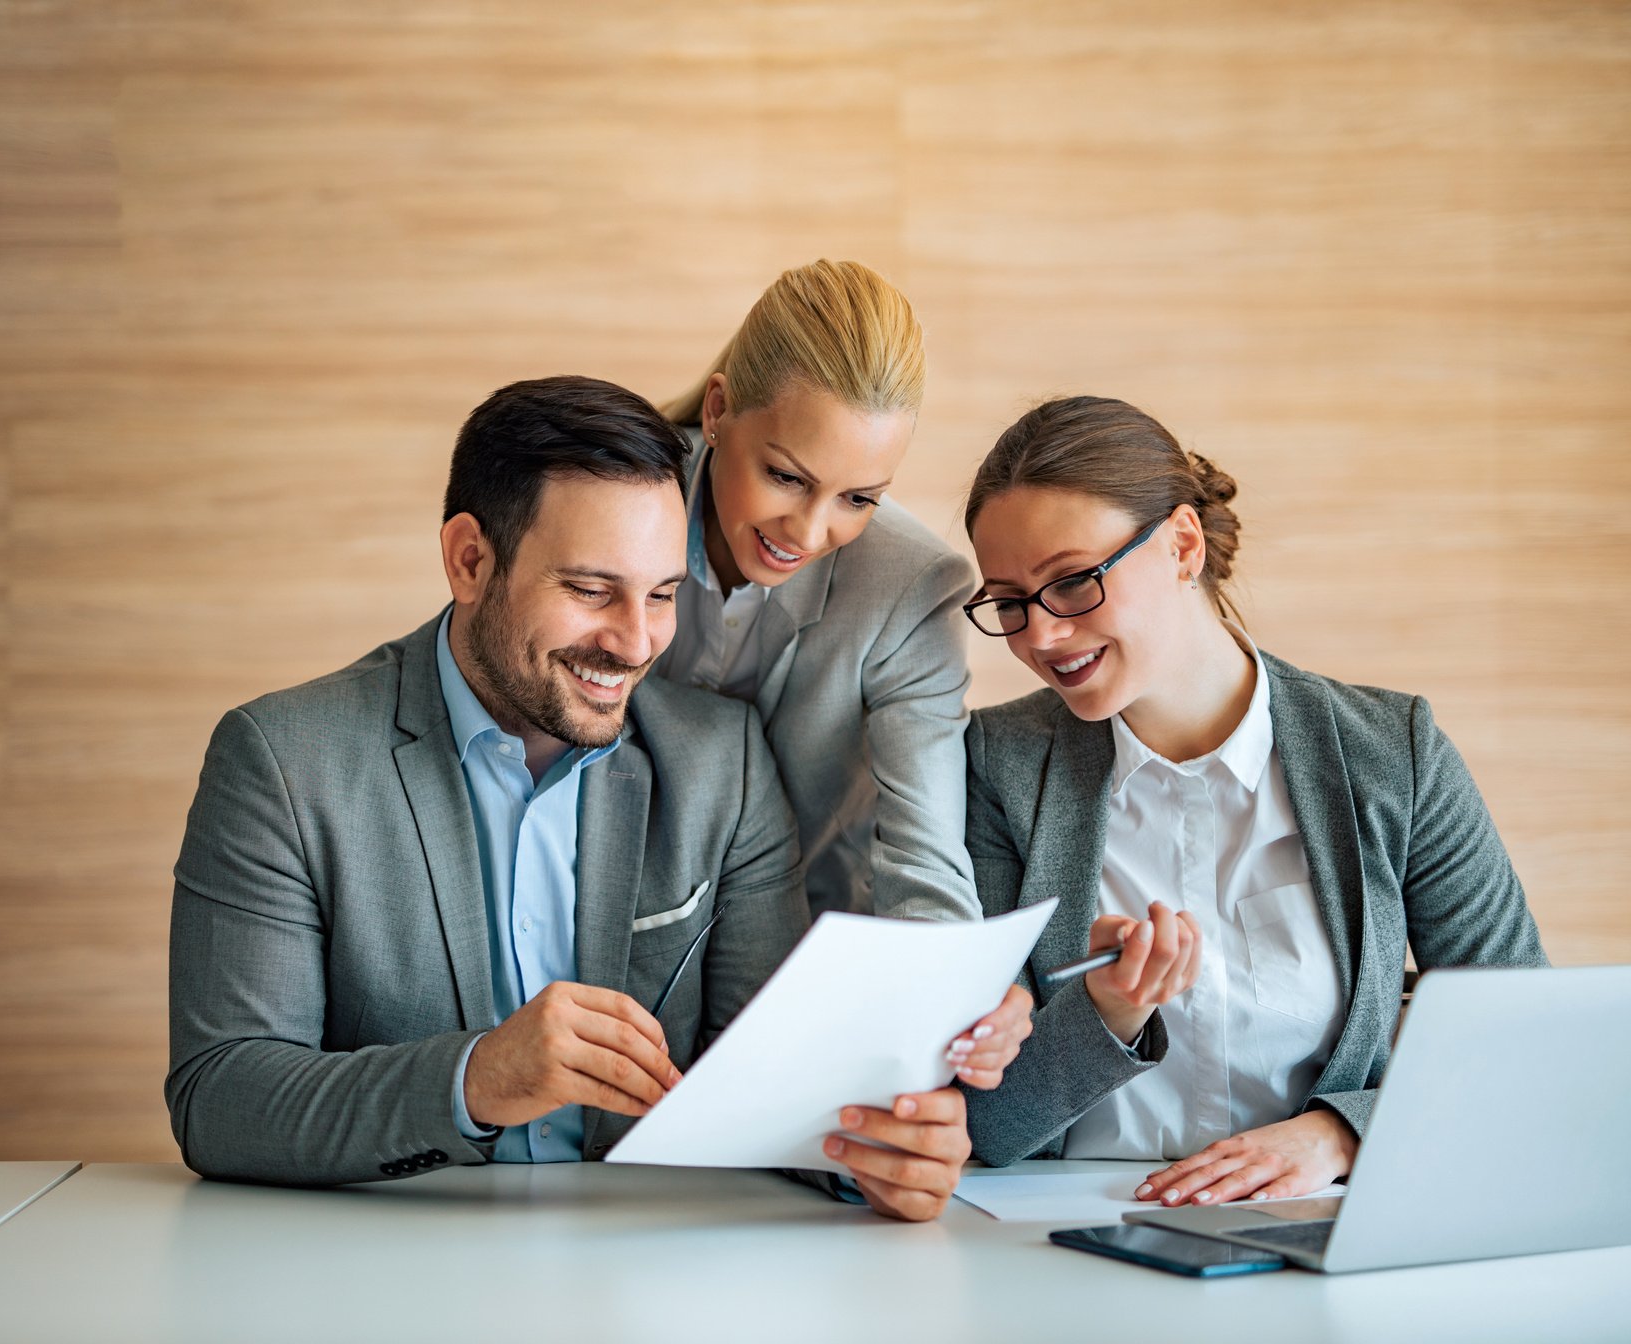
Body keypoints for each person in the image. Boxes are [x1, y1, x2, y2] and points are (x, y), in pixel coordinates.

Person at [165, 376, 1013, 1221]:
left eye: (663, 594)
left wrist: (875, 1149)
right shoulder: (282, 760)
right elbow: (220, 1097)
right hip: (387, 1261)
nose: (637, 642)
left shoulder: (725, 765)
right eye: (589, 590)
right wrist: (477, 1077)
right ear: (470, 561)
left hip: (642, 1265)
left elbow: (762, 1080)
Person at [956, 395, 1546, 1206]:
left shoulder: (1393, 754)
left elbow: (1527, 1044)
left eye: (1073, 582)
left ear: (1182, 545)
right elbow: (984, 1124)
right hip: (1060, 1228)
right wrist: (1109, 1011)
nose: (1042, 637)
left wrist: (1345, 1132)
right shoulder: (994, 767)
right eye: (1012, 602)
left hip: (1322, 1224)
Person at [657, 260, 979, 929]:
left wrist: (955, 997)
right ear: (717, 412)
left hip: (811, 938)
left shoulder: (914, 590)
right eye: (785, 476)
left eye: (858, 498)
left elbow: (928, 865)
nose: (806, 531)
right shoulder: (612, 503)